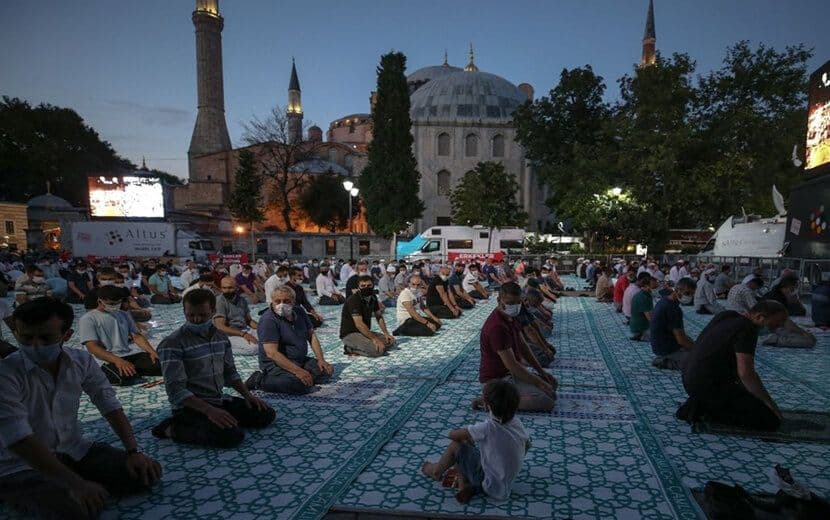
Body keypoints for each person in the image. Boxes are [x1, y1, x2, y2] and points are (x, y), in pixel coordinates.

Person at [0, 298, 162, 518]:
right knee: (74, 509)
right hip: (21, 465)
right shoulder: (6, 373)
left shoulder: (81, 361)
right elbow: (19, 438)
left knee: (145, 472)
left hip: (73, 450)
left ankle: (72, 482)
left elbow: (110, 406)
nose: (34, 345)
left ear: (66, 336)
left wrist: (133, 451)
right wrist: (75, 483)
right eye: (26, 338)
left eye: (45, 338)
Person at [153, 289, 275, 448]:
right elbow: (176, 392)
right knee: (230, 436)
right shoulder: (173, 344)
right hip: (191, 406)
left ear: (213, 312)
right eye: (191, 315)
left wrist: (247, 395)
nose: (196, 319)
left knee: (265, 414)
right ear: (184, 312)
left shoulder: (220, 338)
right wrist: (209, 411)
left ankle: (221, 420)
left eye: (202, 315)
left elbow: (230, 372)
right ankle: (172, 428)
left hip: (217, 399)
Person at [678, 301, 788, 431]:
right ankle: (706, 412)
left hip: (689, 378)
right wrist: (770, 403)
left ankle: (699, 404)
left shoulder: (727, 315)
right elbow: (746, 374)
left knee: (745, 395)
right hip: (706, 384)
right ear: (759, 317)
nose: (777, 328)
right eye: (775, 324)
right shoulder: (748, 328)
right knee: (771, 421)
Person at [421, 379, 530, 504]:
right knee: (471, 451)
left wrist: (465, 437)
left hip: (486, 480)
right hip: (504, 482)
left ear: (487, 406)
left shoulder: (487, 427)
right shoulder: (517, 423)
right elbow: (527, 444)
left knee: (457, 446)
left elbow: (453, 435)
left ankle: (436, 471)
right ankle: (466, 486)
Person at [475, 282, 556, 411]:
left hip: (511, 375)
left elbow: (523, 346)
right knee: (545, 401)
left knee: (551, 384)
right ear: (499, 300)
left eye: (518, 303)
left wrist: (541, 372)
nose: (515, 306)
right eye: (510, 303)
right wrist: (539, 382)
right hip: (497, 380)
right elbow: (511, 365)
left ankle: (502, 398)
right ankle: (491, 402)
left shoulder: (512, 317)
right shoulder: (497, 327)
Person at [245, 286, 334, 394]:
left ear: (293, 301)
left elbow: (312, 336)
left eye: (286, 301)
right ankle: (259, 380)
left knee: (326, 371)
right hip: (276, 365)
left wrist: (321, 359)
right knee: (299, 385)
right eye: (277, 301)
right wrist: (298, 371)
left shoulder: (299, 311)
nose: (281, 305)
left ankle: (300, 374)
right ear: (272, 302)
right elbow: (271, 353)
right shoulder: (268, 320)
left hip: (299, 360)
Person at [78, 286, 161, 386]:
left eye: (118, 303)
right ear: (100, 301)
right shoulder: (88, 319)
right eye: (111, 304)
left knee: (162, 363)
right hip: (106, 360)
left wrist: (152, 352)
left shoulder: (124, 314)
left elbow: (137, 336)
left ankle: (133, 370)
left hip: (128, 355)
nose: (115, 306)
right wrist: (118, 361)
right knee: (123, 377)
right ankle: (131, 371)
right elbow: (92, 347)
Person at [340, 275, 396, 357]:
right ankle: (349, 348)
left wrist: (386, 333)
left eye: (369, 285)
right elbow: (359, 324)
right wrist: (375, 339)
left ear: (373, 285)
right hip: (350, 334)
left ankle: (362, 344)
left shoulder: (373, 297)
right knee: (377, 351)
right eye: (363, 286)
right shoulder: (354, 300)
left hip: (363, 332)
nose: (366, 288)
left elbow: (379, 316)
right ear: (358, 287)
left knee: (390, 342)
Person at [649, 279, 696, 370]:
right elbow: (681, 340)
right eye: (687, 293)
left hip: (659, 344)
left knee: (690, 342)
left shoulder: (664, 300)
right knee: (698, 362)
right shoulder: (673, 309)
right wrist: (698, 349)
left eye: (692, 294)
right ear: (677, 290)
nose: (690, 297)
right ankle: (665, 362)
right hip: (665, 348)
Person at [214, 277, 259, 356]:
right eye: (224, 288)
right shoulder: (219, 302)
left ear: (237, 288)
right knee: (254, 349)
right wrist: (243, 334)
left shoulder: (241, 300)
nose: (227, 290)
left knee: (270, 339)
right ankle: (222, 348)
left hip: (244, 330)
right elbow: (220, 326)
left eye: (230, 288)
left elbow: (248, 320)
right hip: (229, 334)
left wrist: (261, 328)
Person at [629, 273, 655, 342]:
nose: (655, 287)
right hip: (641, 328)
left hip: (640, 324)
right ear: (646, 286)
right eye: (653, 285)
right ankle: (641, 336)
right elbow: (650, 318)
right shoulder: (643, 297)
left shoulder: (644, 294)